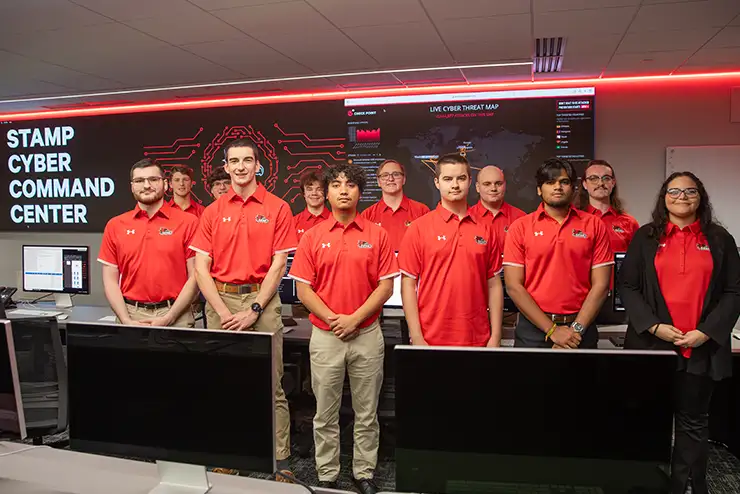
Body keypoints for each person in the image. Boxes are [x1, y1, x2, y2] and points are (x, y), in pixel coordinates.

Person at [619, 172, 740, 494]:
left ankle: (688, 485)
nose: (682, 196)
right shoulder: (645, 237)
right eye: (674, 191)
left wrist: (706, 332)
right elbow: (627, 286)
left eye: (690, 191)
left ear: (700, 196)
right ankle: (645, 485)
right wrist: (655, 326)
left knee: (693, 422)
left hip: (700, 347)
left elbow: (733, 291)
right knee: (646, 419)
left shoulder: (719, 239)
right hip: (651, 347)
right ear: (664, 196)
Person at [189, 139, 297, 479]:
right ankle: (230, 455)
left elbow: (279, 265)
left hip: (261, 301)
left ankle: (281, 461)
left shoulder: (278, 207)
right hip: (221, 302)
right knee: (225, 383)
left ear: (256, 165)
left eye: (247, 160)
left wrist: (254, 308)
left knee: (272, 385)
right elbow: (200, 267)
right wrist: (221, 310)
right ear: (226, 165)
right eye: (234, 161)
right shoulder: (212, 211)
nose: (240, 167)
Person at [289, 164, 397, 494]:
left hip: (366, 334)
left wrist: (354, 319)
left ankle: (364, 472)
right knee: (325, 412)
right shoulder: (313, 235)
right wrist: (336, 318)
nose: (344, 190)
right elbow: (303, 289)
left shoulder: (377, 234)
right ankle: (327, 474)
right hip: (326, 334)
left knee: (367, 412)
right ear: (328, 192)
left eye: (350, 185)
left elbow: (385, 287)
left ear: (360, 192)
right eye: (336, 185)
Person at [503, 158, 613, 349]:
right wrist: (552, 330)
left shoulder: (594, 225)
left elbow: (601, 285)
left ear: (573, 187)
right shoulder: (520, 227)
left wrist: (574, 331)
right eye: (550, 182)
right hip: (533, 330)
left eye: (564, 182)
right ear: (539, 189)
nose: (557, 187)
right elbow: (514, 286)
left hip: (581, 329)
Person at [398, 153, 504, 347]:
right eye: (448, 179)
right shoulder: (419, 228)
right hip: (431, 339)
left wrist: (496, 336)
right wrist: (417, 337)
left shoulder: (486, 228)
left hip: (478, 338)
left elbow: (494, 284)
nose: (455, 185)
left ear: (470, 181)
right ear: (437, 182)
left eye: (461, 178)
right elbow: (408, 285)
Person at [98, 158, 199, 327]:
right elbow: (110, 281)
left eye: (153, 179)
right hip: (130, 313)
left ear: (165, 185)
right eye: (139, 181)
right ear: (132, 186)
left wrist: (170, 317)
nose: (146, 186)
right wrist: (126, 320)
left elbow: (195, 277)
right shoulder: (115, 225)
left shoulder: (189, 222)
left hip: (177, 313)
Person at [361, 159, 430, 251]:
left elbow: (429, 248)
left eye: (396, 174)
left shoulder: (422, 211)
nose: (390, 179)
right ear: (378, 182)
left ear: (404, 179)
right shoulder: (367, 215)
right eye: (385, 175)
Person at [578, 159, 639, 253]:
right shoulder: (574, 220)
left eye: (606, 178)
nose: (600, 183)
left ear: (613, 183)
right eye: (593, 178)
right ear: (585, 184)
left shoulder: (629, 222)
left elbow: (637, 259)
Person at [469, 165, 526, 253]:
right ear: (477, 187)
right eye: (487, 184)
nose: (493, 189)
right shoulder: (467, 218)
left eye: (498, 184)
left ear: (505, 185)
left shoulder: (521, 218)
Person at [293, 170, 330, 241]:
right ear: (304, 193)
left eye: (319, 189)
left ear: (327, 194)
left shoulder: (336, 221)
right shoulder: (293, 223)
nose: (314, 193)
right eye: (309, 189)